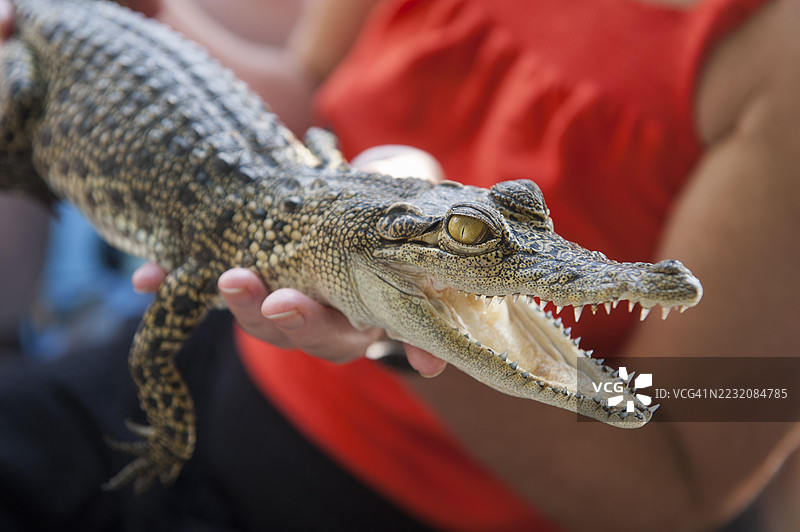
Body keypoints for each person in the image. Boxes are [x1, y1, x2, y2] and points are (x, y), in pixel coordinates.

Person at [1, 0, 799, 530]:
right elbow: (309, 93)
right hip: (227, 356)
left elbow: (689, 480)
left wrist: (394, 344)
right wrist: (145, 12)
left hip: (398, 503)